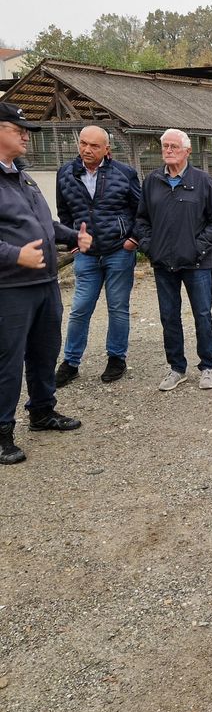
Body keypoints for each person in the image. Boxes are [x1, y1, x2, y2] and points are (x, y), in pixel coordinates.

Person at [0, 102, 91, 464]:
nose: (25, 135)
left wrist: (72, 236)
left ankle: (41, 411)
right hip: (10, 288)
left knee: (44, 352)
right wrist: (13, 255)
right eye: (17, 128)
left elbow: (44, 224)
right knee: (7, 361)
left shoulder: (21, 175)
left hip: (44, 282)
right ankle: (3, 432)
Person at [133, 128, 212, 392]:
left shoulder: (203, 181)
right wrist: (151, 247)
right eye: (165, 146)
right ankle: (176, 368)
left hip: (197, 263)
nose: (169, 151)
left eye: (174, 146)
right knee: (169, 316)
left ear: (187, 151)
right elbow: (141, 220)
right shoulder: (152, 181)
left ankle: (207, 365)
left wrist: (199, 248)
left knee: (203, 314)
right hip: (164, 263)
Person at [54, 125, 141, 387]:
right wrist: (72, 240)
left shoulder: (125, 173)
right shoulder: (66, 173)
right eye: (83, 143)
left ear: (106, 149)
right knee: (80, 309)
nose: (87, 149)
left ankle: (116, 358)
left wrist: (133, 239)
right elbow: (64, 211)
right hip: (86, 255)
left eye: (94, 145)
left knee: (118, 308)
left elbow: (141, 210)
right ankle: (71, 361)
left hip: (118, 251)